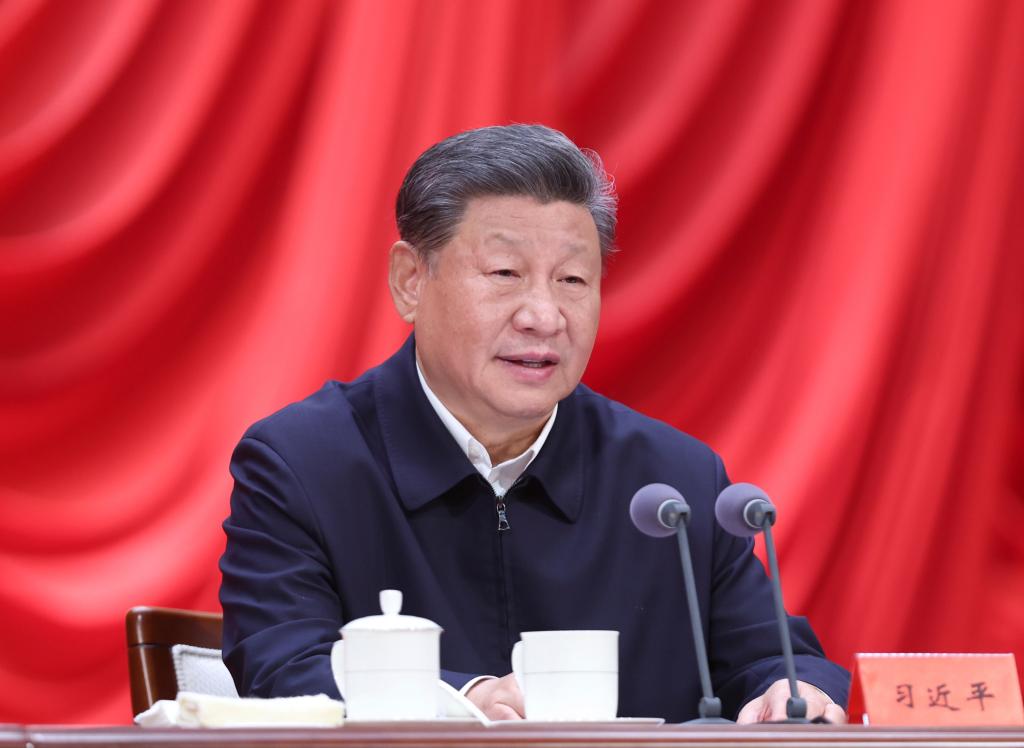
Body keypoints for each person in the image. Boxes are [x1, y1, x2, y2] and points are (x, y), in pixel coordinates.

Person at [219, 124, 849, 723]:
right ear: (411, 281)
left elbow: (776, 661)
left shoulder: (672, 481)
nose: (544, 316)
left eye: (573, 279)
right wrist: (463, 699)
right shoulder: (303, 463)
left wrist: (795, 693)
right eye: (505, 275)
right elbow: (283, 668)